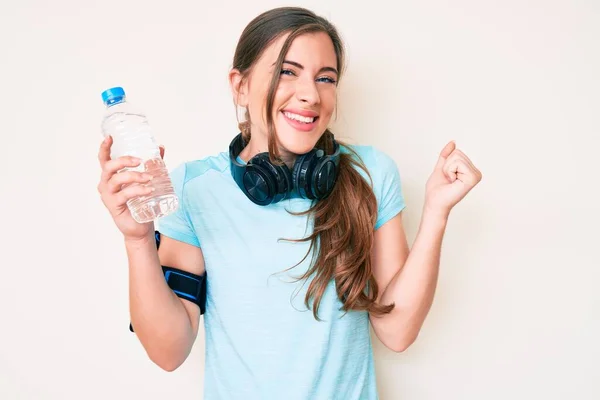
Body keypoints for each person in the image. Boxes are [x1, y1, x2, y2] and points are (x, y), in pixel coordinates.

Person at [97, 6, 482, 400]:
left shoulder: (372, 172)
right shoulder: (194, 188)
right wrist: (138, 241)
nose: (310, 95)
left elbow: (397, 331)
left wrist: (437, 211)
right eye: (287, 71)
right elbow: (168, 351)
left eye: (325, 78)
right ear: (240, 85)